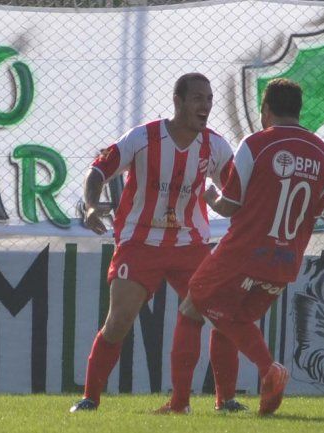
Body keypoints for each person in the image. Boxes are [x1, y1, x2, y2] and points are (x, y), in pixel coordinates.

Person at [70, 73, 244, 414]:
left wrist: (241, 215)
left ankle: (224, 401)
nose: (205, 106)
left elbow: (235, 192)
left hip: (190, 244)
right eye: (197, 98)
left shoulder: (215, 146)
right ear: (177, 101)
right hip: (140, 241)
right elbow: (98, 170)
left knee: (224, 314)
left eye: (208, 99)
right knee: (118, 321)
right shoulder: (144, 137)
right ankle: (90, 398)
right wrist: (91, 204)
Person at [180, 78, 324, 415]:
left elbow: (231, 206)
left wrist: (210, 197)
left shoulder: (257, 144)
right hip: (285, 259)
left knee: (196, 301)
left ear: (265, 109)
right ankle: (226, 402)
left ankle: (268, 370)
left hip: (243, 251)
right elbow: (316, 209)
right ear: (298, 110)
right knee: (230, 323)